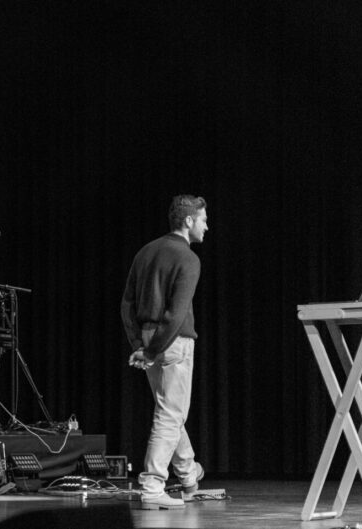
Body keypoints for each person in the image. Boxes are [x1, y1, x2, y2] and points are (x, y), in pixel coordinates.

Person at [120, 194, 208, 510]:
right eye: (203, 220)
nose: (206, 227)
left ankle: (188, 475)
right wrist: (152, 350)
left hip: (149, 338)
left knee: (170, 410)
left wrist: (140, 345)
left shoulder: (145, 251)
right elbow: (176, 314)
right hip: (172, 341)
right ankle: (153, 485)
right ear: (189, 220)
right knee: (170, 414)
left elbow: (127, 304)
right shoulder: (188, 258)